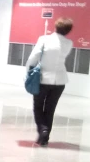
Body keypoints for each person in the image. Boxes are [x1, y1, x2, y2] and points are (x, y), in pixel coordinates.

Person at [27, 18, 74, 147]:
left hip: (43, 79)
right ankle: (44, 138)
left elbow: (33, 57)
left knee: (38, 106)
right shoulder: (69, 43)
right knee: (50, 108)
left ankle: (43, 130)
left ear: (56, 26)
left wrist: (28, 71)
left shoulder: (44, 39)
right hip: (60, 81)